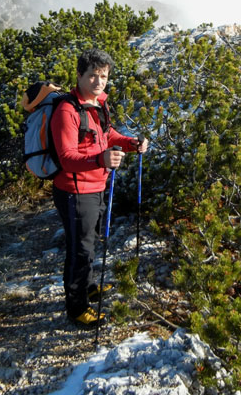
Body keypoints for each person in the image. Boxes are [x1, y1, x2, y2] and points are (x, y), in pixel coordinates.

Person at [50, 48, 148, 328]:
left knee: (90, 240)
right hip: (75, 190)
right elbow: (67, 157)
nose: (98, 81)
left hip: (96, 186)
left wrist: (130, 143)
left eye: (103, 76)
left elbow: (107, 135)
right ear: (79, 75)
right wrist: (100, 159)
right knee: (80, 248)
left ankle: (89, 285)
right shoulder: (67, 111)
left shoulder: (98, 104)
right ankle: (77, 307)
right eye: (92, 75)